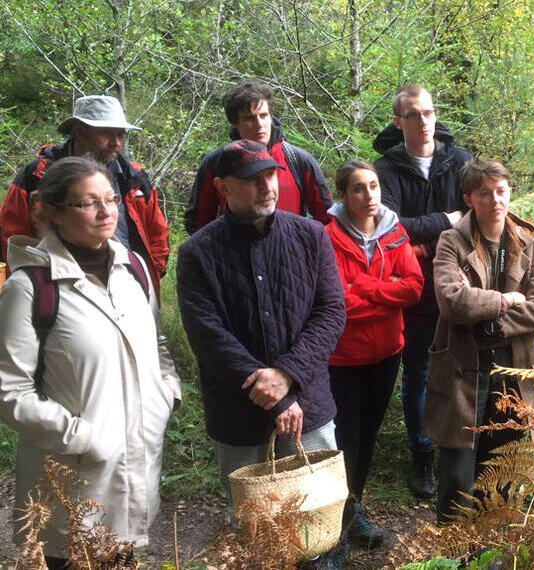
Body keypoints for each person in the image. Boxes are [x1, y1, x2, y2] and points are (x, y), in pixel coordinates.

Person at [0, 157, 180, 568]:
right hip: (72, 475)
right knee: (75, 555)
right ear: (53, 212)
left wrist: (165, 396)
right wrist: (82, 437)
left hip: (136, 464)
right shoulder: (30, 288)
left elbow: (157, 344)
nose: (106, 211)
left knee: (123, 555)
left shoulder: (134, 269)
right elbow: (9, 390)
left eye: (111, 199)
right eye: (88, 203)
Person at [175, 141, 345, 564]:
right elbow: (207, 335)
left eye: (271, 175)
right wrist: (271, 391)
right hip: (239, 411)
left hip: (308, 403)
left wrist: (286, 376)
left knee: (318, 514)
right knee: (252, 526)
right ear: (222, 187)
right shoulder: (197, 253)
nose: (267, 186)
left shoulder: (310, 236)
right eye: (252, 180)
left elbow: (330, 311)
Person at [424, 158, 534, 523]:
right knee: (458, 472)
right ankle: (454, 549)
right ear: (469, 198)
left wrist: (485, 316)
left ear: (510, 192)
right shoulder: (451, 241)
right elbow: (452, 302)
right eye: (484, 193)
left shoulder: (529, 241)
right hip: (464, 367)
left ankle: (490, 546)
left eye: (501, 191)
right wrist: (506, 300)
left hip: (515, 368)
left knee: (502, 467)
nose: (495, 200)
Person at [374, 84, 473, 498]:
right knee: (417, 372)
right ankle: (421, 453)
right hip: (412, 287)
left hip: (460, 283)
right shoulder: (386, 169)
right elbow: (391, 226)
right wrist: (447, 220)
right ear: (398, 121)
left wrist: (428, 231)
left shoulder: (460, 161)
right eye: (413, 115)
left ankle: (459, 448)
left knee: (461, 368)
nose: (423, 121)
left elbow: (475, 214)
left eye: (428, 113)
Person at [325, 160, 423, 548]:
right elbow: (339, 302)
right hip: (343, 359)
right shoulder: (328, 237)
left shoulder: (394, 232)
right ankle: (333, 524)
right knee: (343, 440)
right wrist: (386, 292)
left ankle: (353, 508)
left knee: (367, 437)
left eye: (373, 186)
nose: (369, 195)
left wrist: (363, 287)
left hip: (386, 354)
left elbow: (413, 288)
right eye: (358, 188)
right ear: (343, 195)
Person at [0, 95, 170, 295]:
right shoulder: (38, 176)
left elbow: (157, 236)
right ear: (80, 131)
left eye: (120, 134)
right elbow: (10, 237)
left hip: (127, 287)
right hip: (59, 290)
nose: (116, 143)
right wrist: (35, 289)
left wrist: (145, 277)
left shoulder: (133, 177)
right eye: (107, 133)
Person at [185, 80, 333, 234]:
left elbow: (327, 219)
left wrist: (307, 245)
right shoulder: (217, 163)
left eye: (264, 115)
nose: (260, 124)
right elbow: (198, 223)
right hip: (233, 247)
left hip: (291, 247)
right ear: (235, 123)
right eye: (250, 118)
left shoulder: (298, 160)